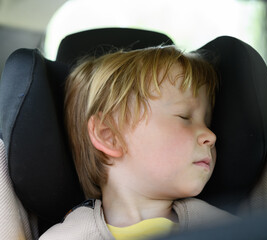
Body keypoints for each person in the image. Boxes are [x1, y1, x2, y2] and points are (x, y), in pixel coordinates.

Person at [40, 45, 236, 240]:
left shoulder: (228, 229)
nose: (210, 135)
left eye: (207, 122)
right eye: (184, 117)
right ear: (109, 135)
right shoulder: (68, 236)